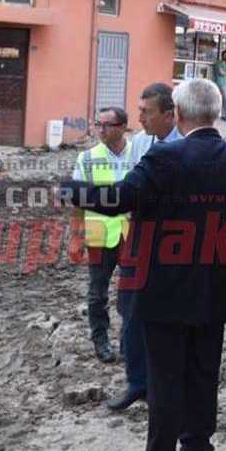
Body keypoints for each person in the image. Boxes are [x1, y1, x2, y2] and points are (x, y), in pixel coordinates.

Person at [61, 78, 226, 451]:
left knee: (166, 378)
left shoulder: (165, 158)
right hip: (214, 291)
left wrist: (73, 191)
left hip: (163, 291)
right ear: (215, 112)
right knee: (204, 375)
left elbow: (120, 198)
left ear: (181, 113)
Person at [106, 83, 183, 411]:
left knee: (166, 318)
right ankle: (137, 382)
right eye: (139, 111)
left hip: (175, 243)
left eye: (146, 112)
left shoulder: (186, 145)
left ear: (169, 114)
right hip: (138, 237)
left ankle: (163, 384)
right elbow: (131, 189)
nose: (140, 118)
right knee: (131, 311)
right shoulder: (140, 143)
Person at [69, 107, 139, 363]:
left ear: (122, 127)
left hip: (132, 233)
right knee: (97, 293)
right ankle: (101, 342)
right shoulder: (87, 158)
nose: (100, 130)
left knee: (133, 292)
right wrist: (76, 236)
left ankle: (128, 343)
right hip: (99, 233)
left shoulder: (140, 153)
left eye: (106, 125)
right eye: (97, 124)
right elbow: (77, 200)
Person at [212, 50, 226, 121]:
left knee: (224, 99)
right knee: (224, 98)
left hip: (225, 83)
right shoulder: (218, 63)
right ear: (223, 55)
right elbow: (221, 73)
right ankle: (223, 114)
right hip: (219, 83)